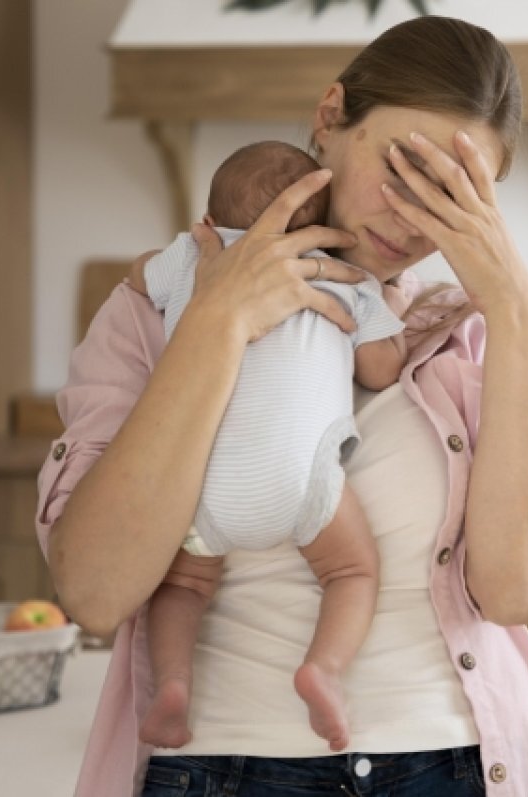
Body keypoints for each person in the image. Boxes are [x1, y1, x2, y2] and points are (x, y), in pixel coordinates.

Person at [36, 15, 528, 796]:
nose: (411, 220)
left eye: (454, 197)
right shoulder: (154, 310)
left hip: (457, 765)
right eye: (403, 173)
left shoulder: (472, 337)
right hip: (218, 768)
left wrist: (516, 305)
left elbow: (519, 589)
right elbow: (95, 590)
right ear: (330, 118)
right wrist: (217, 322)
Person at [128, 140, 410, 752]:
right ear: (329, 229)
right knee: (352, 571)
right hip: (301, 479)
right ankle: (323, 669)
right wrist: (386, 309)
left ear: (208, 224)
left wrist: (181, 254)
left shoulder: (192, 258)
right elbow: (384, 370)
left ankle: (171, 687)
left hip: (200, 481)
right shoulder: (345, 277)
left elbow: (134, 279)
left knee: (181, 587)